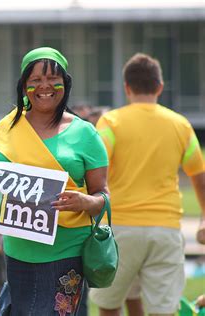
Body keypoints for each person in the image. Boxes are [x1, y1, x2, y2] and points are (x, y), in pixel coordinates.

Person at [0, 47, 109, 315]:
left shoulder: (85, 134)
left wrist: (85, 201)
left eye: (52, 79)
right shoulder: (6, 128)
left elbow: (103, 196)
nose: (45, 86)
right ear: (24, 86)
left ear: (65, 84)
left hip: (67, 251)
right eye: (35, 80)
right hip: (17, 254)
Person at [90, 53, 205, 315]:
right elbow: (199, 175)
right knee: (163, 310)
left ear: (127, 88)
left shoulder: (111, 122)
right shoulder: (181, 125)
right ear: (160, 87)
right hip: (165, 230)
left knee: (109, 304)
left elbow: (95, 166)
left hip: (120, 229)